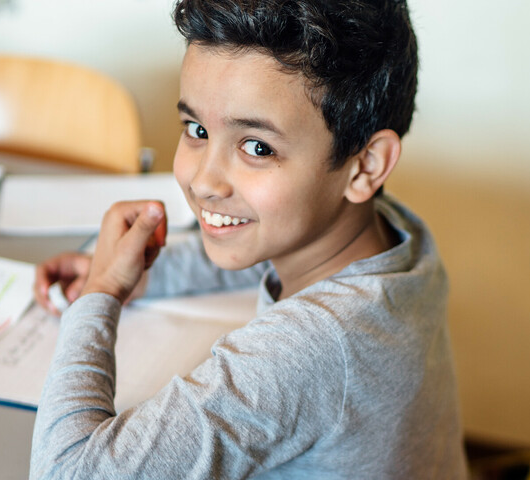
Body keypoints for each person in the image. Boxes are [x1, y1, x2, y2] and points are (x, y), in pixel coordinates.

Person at [30, 0, 467, 478]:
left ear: (367, 165)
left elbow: (66, 471)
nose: (203, 181)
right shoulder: (395, 236)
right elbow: (271, 246)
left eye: (257, 147)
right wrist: (147, 274)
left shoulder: (308, 350)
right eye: (196, 129)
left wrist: (102, 292)